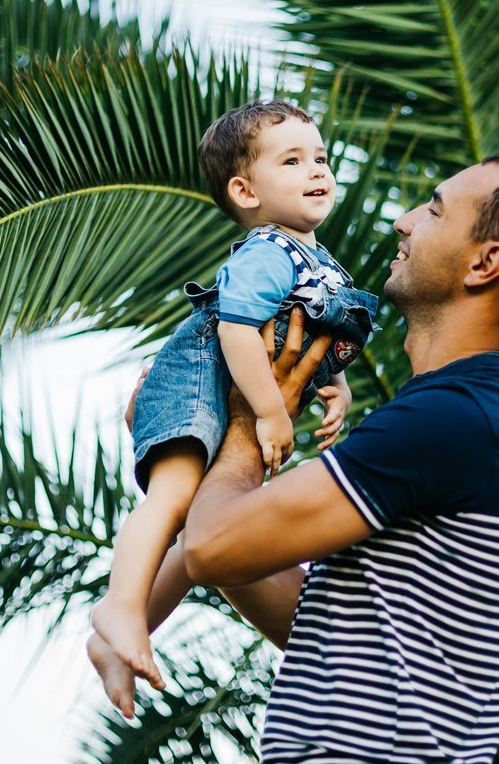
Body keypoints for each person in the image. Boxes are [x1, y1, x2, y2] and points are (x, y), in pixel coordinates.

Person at [88, 156, 499, 762]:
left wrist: (247, 420)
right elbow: (302, 613)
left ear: (486, 264)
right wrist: (188, 443)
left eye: (433, 209)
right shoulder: (455, 416)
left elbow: (212, 546)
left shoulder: (458, 419)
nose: (404, 222)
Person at [89, 100, 379, 690]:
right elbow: (236, 328)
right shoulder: (269, 251)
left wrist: (336, 384)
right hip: (194, 386)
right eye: (293, 161)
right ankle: (116, 609)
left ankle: (118, 640)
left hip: (224, 395)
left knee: (197, 542)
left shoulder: (316, 262)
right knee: (170, 502)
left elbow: (313, 332)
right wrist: (271, 413)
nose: (318, 171)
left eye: (321, 158)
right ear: (245, 191)